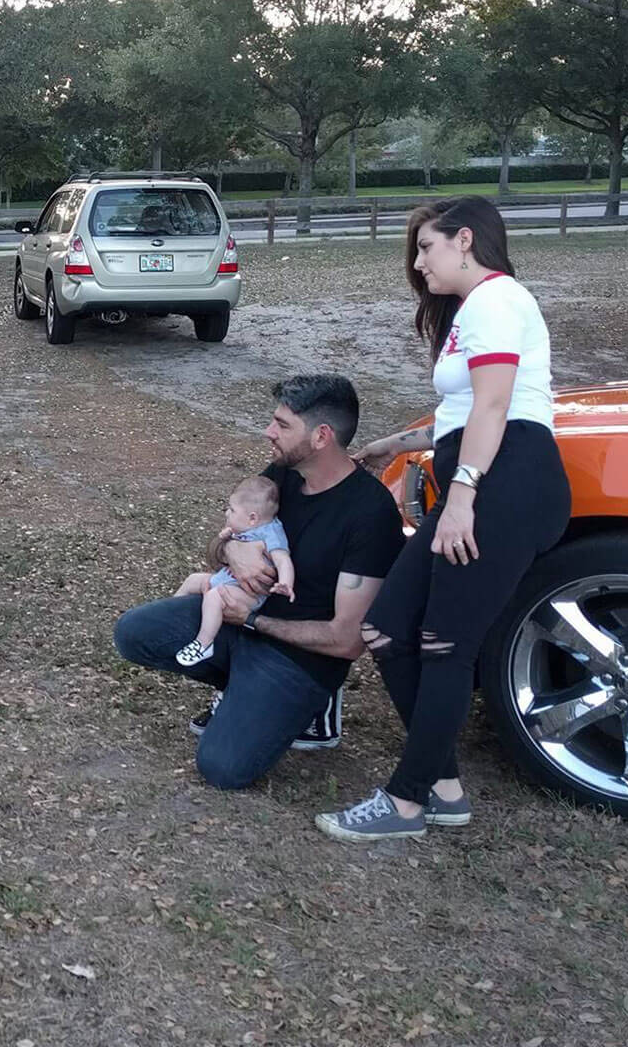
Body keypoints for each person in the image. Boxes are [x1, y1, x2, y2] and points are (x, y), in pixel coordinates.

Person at [317, 196, 570, 841]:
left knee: (443, 644)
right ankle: (445, 786)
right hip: (486, 469)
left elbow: (495, 410)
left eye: (425, 248)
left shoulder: (497, 299)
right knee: (385, 629)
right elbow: (465, 414)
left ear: (464, 240)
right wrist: (398, 444)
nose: (418, 263)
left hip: (505, 480)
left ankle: (407, 803)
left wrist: (462, 496)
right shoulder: (472, 310)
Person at [113, 375, 406, 787]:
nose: (269, 432)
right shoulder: (282, 477)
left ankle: (311, 708)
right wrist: (232, 550)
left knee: (222, 768)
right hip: (240, 626)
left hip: (300, 658)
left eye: (283, 425)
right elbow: (221, 541)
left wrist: (251, 621)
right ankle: (238, 688)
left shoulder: (370, 515)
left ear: (322, 436)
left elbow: (348, 640)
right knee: (134, 632)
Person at [171, 474, 294, 667]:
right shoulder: (246, 527)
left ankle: (204, 644)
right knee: (193, 579)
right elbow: (223, 547)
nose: (227, 513)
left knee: (214, 597)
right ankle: (170, 613)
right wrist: (227, 538)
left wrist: (285, 583)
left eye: (232, 509)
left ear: (252, 518)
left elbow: (283, 560)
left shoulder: (272, 534)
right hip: (228, 579)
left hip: (249, 594)